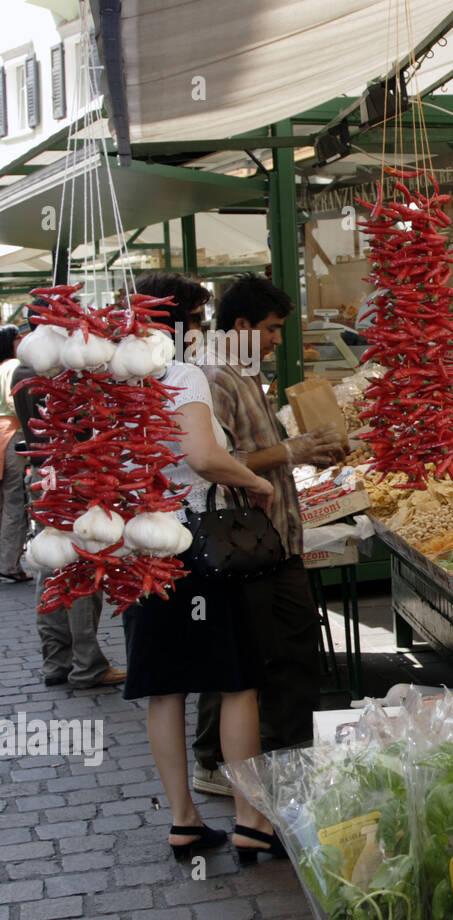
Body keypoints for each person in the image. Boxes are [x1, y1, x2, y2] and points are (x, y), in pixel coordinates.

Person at [120, 338, 287, 863]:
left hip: (138, 548)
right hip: (196, 545)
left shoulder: (103, 379)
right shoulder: (180, 373)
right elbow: (202, 456)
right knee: (235, 681)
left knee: (163, 687)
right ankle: (250, 819)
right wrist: (256, 481)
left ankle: (184, 821)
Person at [190, 274, 344, 798]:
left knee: (282, 648)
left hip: (274, 539)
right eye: (273, 329)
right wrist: (292, 452)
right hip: (247, 542)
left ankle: (277, 754)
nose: (279, 339)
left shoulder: (243, 372)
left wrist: (302, 450)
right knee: (253, 653)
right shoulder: (216, 378)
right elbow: (217, 462)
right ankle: (225, 761)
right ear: (241, 326)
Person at [12, 316, 125, 689]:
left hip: (45, 474)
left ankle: (56, 661)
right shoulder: (67, 370)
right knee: (80, 567)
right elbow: (88, 427)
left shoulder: (25, 368)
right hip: (75, 474)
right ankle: (87, 665)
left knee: (53, 566)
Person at [0, 325, 31, 583]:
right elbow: (14, 402)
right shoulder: (13, 367)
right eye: (17, 338)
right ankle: (9, 562)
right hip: (12, 437)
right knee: (14, 502)